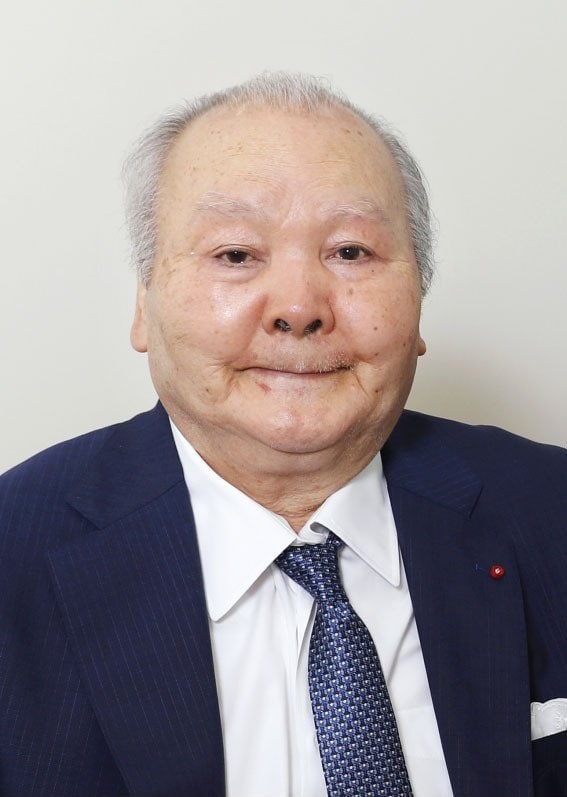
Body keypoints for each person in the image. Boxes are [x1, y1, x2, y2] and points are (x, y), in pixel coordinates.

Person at [1, 72, 566, 797]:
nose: (299, 308)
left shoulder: (550, 510)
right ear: (144, 305)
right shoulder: (15, 552)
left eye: (350, 253)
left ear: (418, 302)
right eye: (236, 255)